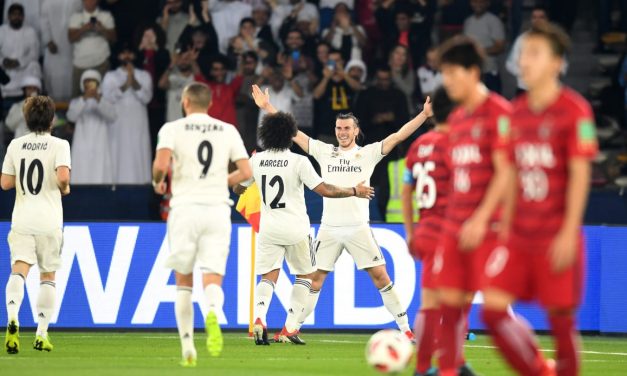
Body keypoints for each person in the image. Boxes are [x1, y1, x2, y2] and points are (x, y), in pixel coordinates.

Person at [252, 81, 433, 342]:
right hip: (329, 229)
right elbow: (292, 132)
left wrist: (423, 116)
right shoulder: (324, 152)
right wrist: (267, 106)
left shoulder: (369, 153)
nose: (342, 132)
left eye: (347, 128)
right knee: (313, 281)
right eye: (339, 128)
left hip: (359, 227)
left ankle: (405, 328)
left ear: (357, 131)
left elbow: (398, 135)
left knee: (381, 276)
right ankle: (291, 329)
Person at [482, 22, 598, 376]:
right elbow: (512, 176)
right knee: (492, 309)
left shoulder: (576, 111)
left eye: (534, 53)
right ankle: (539, 372)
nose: (524, 61)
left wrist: (568, 231)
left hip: (556, 233)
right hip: (519, 234)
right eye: (522, 53)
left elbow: (581, 175)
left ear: (557, 63)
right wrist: (504, 227)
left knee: (561, 321)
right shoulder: (513, 114)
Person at [234, 106, 374, 344]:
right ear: (290, 134)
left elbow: (238, 187)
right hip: (296, 228)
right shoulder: (298, 161)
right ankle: (289, 328)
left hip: (268, 228)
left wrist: (249, 184)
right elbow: (325, 190)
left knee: (268, 276)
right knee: (306, 275)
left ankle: (259, 318)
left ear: (265, 134)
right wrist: (354, 190)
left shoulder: (256, 160)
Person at [152, 82, 251, 366]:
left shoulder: (172, 128)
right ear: (209, 104)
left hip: (184, 208)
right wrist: (222, 180)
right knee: (212, 275)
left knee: (183, 280)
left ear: (185, 102)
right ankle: (212, 308)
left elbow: (161, 165)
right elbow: (245, 171)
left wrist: (158, 181)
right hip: (217, 210)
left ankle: (187, 349)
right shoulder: (227, 130)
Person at [435, 35, 512, 376]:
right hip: (457, 227)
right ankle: (454, 367)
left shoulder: (498, 113)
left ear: (473, 72)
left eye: (452, 72)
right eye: (444, 73)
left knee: (495, 314)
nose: (446, 80)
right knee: (449, 303)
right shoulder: (458, 119)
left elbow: (508, 171)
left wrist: (483, 219)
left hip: (489, 226)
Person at [1, 95, 71, 354]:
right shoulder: (60, 144)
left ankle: (11, 319)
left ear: (27, 119)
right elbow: (63, 177)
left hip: (23, 218)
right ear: (52, 120)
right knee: (48, 276)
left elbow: (5, 183)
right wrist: (64, 187)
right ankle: (41, 334)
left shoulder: (15, 145)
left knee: (19, 270)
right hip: (49, 221)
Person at [401, 87, 455, 376]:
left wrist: (410, 233)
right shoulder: (456, 144)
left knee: (429, 303)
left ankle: (426, 367)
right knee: (455, 304)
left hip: (425, 230)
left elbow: (406, 188)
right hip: (450, 233)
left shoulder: (419, 145)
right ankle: (447, 366)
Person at [354, 65, 410, 220]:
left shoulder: (399, 95)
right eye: (380, 79)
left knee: (387, 187)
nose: (383, 82)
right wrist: (375, 120)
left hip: (392, 151)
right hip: (369, 148)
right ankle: (364, 218)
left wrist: (392, 119)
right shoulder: (366, 95)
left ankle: (383, 218)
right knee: (366, 186)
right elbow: (357, 122)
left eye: (386, 79)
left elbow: (405, 123)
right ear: (375, 78)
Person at [102, 44, 153, 184]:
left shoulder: (144, 75)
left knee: (138, 150)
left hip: (138, 122)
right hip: (118, 121)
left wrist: (133, 80)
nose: (127, 57)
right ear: (117, 56)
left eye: (129, 53)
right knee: (118, 152)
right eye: (123, 54)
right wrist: (125, 85)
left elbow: (147, 97)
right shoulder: (110, 76)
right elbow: (108, 98)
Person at [66, 69, 115, 184]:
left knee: (100, 174)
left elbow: (112, 116)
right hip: (81, 146)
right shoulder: (77, 102)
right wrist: (84, 99)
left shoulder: (104, 101)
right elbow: (71, 117)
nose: (90, 85)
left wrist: (98, 99)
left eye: (93, 82)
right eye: (87, 82)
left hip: (100, 145)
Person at [506, 5, 567, 95]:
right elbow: (510, 64)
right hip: (525, 89)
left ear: (547, 19)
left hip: (548, 91)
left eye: (541, 17)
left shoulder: (555, 39)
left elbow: (563, 65)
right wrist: (526, 72)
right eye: (534, 17)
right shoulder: (522, 39)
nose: (537, 20)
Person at [68, 0, 116, 97]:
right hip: (80, 64)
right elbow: (71, 38)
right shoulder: (75, 17)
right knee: (76, 98)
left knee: (103, 97)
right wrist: (83, 29)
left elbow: (114, 38)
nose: (89, 2)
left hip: (101, 63)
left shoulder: (106, 16)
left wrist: (102, 29)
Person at [136, 24, 171, 150]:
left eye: (152, 35)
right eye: (146, 35)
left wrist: (156, 50)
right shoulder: (136, 55)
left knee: (157, 135)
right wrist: (140, 50)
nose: (149, 39)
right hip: (140, 104)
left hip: (158, 102)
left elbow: (164, 67)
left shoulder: (163, 53)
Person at [312, 50, 361, 141]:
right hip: (327, 132)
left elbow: (358, 88)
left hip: (349, 132)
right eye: (332, 61)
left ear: (342, 62)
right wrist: (327, 77)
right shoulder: (323, 80)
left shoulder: (348, 79)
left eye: (337, 61)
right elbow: (316, 95)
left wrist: (343, 73)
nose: (335, 64)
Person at [40, 0, 82, 102]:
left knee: (71, 78)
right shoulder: (47, 2)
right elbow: (43, 21)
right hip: (53, 47)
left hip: (72, 46)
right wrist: (48, 40)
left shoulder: (78, 1)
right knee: (53, 78)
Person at [0, 3, 41, 105]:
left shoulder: (30, 31)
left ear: (23, 17)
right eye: (14, 14)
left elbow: (34, 53)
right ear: (8, 16)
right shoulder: (2, 30)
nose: (16, 17)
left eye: (19, 14)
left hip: (24, 71)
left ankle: (32, 101)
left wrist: (19, 62)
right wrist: (3, 61)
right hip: (5, 72)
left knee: (34, 65)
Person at [463, 0, 506, 93]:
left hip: (489, 72)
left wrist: (479, 51)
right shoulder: (468, 21)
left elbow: (500, 46)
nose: (478, 4)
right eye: (475, 1)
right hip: (472, 73)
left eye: (481, 2)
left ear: (487, 3)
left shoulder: (494, 21)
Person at [194, 55, 243, 127]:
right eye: (216, 69)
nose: (219, 72)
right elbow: (197, 74)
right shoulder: (205, 88)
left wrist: (240, 58)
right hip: (210, 130)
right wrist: (192, 60)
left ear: (225, 71)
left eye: (222, 69)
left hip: (228, 132)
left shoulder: (231, 88)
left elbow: (239, 75)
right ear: (211, 72)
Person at [160, 49, 197, 123]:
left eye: (186, 59)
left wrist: (193, 61)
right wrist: (171, 64)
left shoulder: (194, 78)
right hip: (173, 124)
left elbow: (202, 81)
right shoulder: (172, 77)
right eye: (180, 59)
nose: (183, 62)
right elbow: (161, 84)